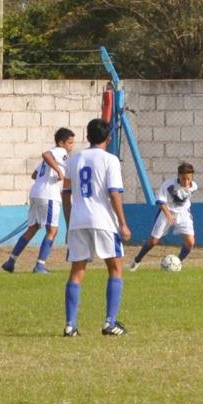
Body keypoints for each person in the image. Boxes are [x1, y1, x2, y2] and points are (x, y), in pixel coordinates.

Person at [61, 118, 131, 337]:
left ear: (87, 136)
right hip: (103, 221)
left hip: (78, 221)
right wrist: (122, 223)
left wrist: (70, 221)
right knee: (115, 268)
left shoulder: (74, 159)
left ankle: (70, 325)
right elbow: (114, 193)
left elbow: (66, 194)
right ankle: (110, 322)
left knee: (77, 271)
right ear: (108, 138)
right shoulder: (110, 160)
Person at [3, 127, 75, 274]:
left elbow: (34, 175)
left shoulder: (55, 157)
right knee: (52, 230)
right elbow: (45, 154)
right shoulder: (60, 152)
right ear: (61, 143)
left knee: (33, 227)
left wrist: (51, 174)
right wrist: (59, 171)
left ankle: (11, 261)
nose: (71, 146)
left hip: (36, 192)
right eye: (70, 143)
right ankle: (40, 265)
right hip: (48, 195)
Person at [129, 162, 197, 270]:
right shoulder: (168, 185)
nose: (186, 181)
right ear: (178, 176)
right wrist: (168, 215)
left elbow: (185, 198)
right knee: (153, 241)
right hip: (167, 212)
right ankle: (136, 261)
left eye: (189, 178)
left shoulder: (194, 186)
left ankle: (177, 263)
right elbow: (161, 202)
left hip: (183, 214)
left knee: (190, 242)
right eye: (183, 178)